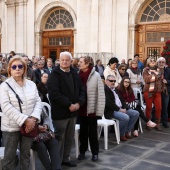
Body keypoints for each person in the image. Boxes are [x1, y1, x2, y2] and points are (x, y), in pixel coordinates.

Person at [0, 55, 42, 169]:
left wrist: (33, 119)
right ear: (10, 69)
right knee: (9, 157)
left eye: (20, 66)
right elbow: (6, 106)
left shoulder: (31, 84)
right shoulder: (4, 86)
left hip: (29, 126)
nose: (17, 69)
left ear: (24, 68)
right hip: (11, 127)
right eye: (14, 67)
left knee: (25, 155)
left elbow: (38, 102)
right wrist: (25, 120)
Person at [47, 51, 85, 167]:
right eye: (62, 60)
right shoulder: (54, 74)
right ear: (59, 61)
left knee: (69, 137)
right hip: (61, 112)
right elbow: (54, 94)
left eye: (67, 60)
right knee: (59, 138)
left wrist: (78, 103)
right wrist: (69, 105)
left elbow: (82, 90)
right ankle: (57, 162)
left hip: (73, 112)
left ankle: (66, 159)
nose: (64, 62)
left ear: (71, 61)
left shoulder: (75, 73)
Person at [77, 56, 105, 161]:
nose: (78, 63)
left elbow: (101, 94)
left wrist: (99, 110)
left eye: (80, 62)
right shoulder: (77, 74)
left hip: (92, 109)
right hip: (81, 108)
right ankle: (82, 151)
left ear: (87, 63)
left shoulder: (96, 75)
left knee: (93, 133)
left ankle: (95, 153)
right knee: (83, 133)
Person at [104, 75, 139, 141]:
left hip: (120, 108)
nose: (113, 82)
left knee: (136, 113)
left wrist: (125, 108)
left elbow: (122, 100)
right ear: (106, 81)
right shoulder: (105, 89)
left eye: (114, 81)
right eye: (111, 81)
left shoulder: (115, 89)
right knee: (125, 117)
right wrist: (119, 109)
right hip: (112, 110)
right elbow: (108, 103)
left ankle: (126, 131)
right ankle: (120, 134)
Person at [143, 56, 165, 131]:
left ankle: (157, 123)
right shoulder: (145, 70)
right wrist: (155, 75)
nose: (152, 61)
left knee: (159, 108)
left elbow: (161, 80)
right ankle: (148, 123)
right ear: (148, 62)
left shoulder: (160, 70)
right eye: (151, 60)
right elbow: (146, 79)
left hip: (157, 92)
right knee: (149, 108)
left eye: (154, 60)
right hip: (148, 91)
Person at [157, 57, 170, 128]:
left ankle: (165, 122)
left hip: (165, 91)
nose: (161, 63)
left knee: (165, 107)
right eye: (160, 62)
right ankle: (156, 120)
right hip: (156, 91)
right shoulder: (155, 70)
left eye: (163, 62)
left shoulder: (168, 70)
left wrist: (167, 81)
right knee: (156, 107)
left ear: (165, 63)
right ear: (158, 63)